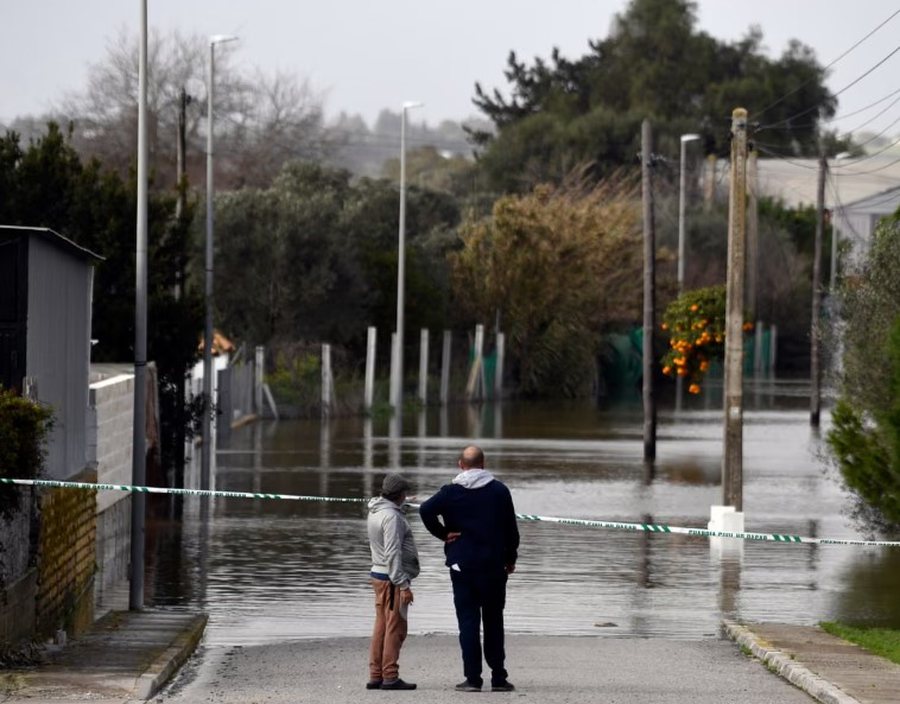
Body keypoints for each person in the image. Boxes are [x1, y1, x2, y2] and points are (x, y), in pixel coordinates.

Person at [419, 445, 519, 693]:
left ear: (460, 465)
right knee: (494, 621)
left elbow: (425, 510)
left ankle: (473, 679)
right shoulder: (499, 491)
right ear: (483, 464)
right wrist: (510, 557)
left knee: (468, 622)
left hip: (462, 566)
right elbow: (511, 529)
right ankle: (498, 678)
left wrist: (444, 535)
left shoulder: (451, 492)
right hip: (494, 566)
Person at [367, 472, 420, 691]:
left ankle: (376, 675)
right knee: (395, 628)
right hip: (392, 579)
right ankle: (390, 675)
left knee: (381, 626)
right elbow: (393, 553)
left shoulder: (376, 510)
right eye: (405, 494)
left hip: (378, 575)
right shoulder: (392, 518)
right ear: (400, 495)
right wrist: (403, 585)